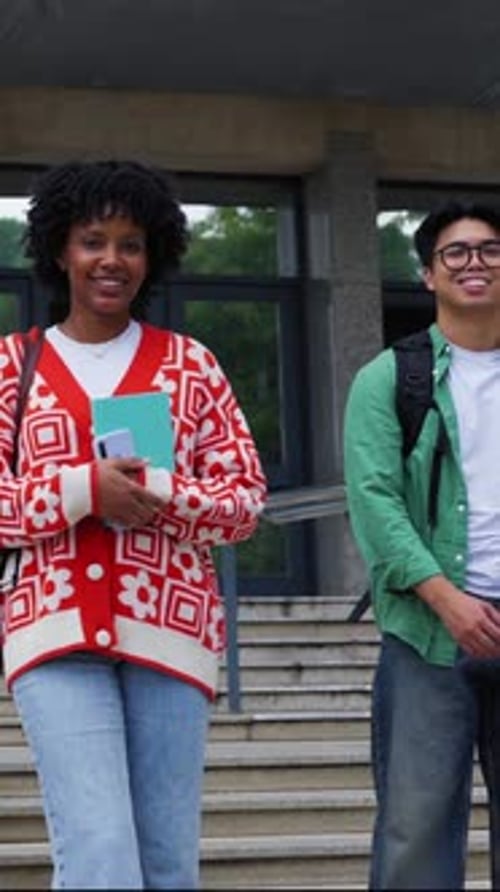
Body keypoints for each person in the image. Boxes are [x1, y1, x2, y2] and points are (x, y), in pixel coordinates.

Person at [0, 159, 267, 890]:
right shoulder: (10, 367)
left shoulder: (191, 367)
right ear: (60, 250)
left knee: (166, 864)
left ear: (153, 257)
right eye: (93, 240)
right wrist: (83, 488)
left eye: (130, 243)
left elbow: (244, 502)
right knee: (99, 856)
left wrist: (159, 491)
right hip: (53, 632)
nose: (111, 260)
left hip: (172, 636)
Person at [344, 200, 500, 890]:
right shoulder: (388, 378)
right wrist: (447, 599)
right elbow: (374, 500)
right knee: (416, 832)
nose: (476, 263)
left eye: (491, 250)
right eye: (456, 253)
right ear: (429, 275)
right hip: (427, 635)